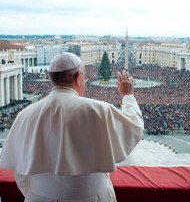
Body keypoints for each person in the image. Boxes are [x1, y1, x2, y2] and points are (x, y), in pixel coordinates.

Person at [0, 52, 144, 202]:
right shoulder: (101, 110)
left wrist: (40, 194)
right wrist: (128, 95)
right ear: (77, 77)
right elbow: (135, 125)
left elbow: (21, 173)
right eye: (84, 75)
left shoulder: (25, 115)